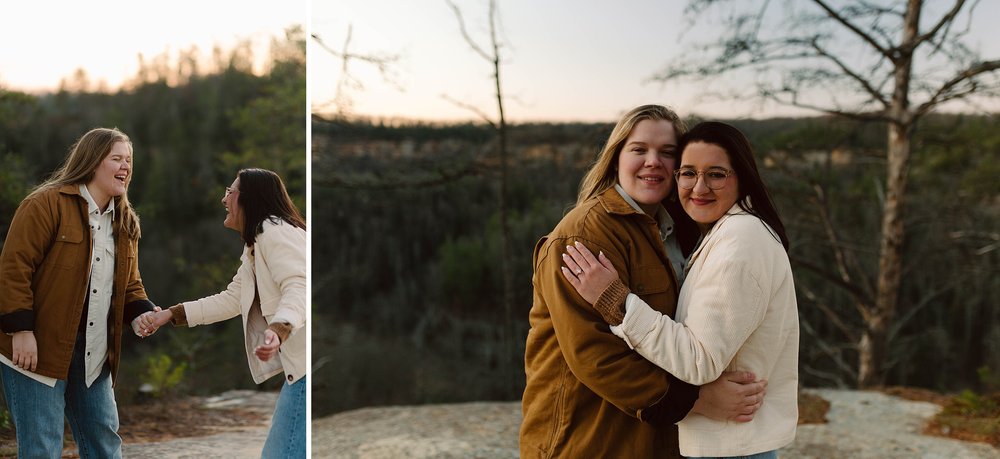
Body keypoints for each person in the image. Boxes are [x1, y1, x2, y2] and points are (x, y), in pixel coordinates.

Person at [521, 106, 769, 458]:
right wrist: (698, 401)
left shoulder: (680, 229)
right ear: (616, 158)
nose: (653, 161)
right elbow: (596, 357)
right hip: (587, 441)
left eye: (667, 152)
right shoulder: (583, 236)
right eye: (639, 149)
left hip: (652, 439)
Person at [0, 127, 158, 458]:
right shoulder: (45, 204)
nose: (125, 166)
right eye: (116, 158)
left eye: (128, 160)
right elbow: (14, 268)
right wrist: (21, 330)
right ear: (91, 162)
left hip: (94, 353)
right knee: (42, 447)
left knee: (104, 443)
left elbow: (130, 283)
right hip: (37, 349)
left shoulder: (125, 221)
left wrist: (143, 311)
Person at [137, 168, 307, 458]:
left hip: (303, 373)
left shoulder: (274, 231)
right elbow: (231, 299)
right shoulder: (258, 242)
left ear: (248, 199)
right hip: (299, 373)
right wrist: (171, 314)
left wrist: (279, 329)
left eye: (230, 192)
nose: (223, 199)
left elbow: (299, 286)